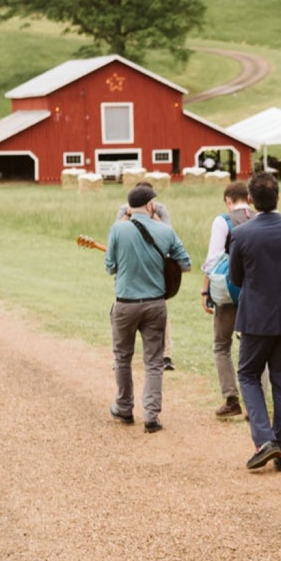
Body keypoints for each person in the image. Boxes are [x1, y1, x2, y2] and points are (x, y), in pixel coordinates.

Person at [229, 172, 281, 472]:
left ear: (251, 200)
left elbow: (235, 278)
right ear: (278, 197)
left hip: (255, 318)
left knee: (249, 374)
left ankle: (266, 440)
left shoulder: (241, 234)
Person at [105, 184, 191, 434]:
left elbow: (110, 266)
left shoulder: (118, 229)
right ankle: (151, 416)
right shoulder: (165, 231)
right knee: (154, 362)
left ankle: (124, 407)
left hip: (125, 303)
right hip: (155, 303)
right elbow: (185, 263)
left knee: (122, 357)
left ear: (129, 207)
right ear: (151, 205)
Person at [200, 181, 255, 419]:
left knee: (222, 344)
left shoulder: (222, 221)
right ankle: (256, 403)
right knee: (252, 346)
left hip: (229, 292)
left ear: (228, 200)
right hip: (256, 293)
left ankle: (231, 399)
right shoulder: (260, 218)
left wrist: (205, 292)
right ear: (249, 198)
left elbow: (213, 261)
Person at [115, 186, 177, 370]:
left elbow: (168, 233)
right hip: (129, 273)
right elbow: (116, 232)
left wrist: (152, 217)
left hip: (154, 272)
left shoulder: (160, 210)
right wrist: (129, 214)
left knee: (161, 315)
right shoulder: (123, 209)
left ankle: (166, 356)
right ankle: (121, 358)